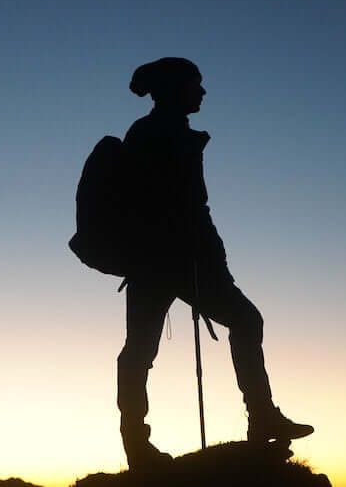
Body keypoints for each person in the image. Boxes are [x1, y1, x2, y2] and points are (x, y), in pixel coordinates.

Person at [117, 57, 313, 469]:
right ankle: (255, 422)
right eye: (196, 85)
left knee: (144, 350)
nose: (203, 92)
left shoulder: (160, 133)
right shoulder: (156, 135)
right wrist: (203, 252)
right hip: (168, 261)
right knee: (149, 349)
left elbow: (188, 206)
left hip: (166, 262)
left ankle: (142, 443)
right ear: (175, 89)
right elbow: (177, 206)